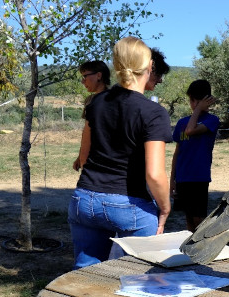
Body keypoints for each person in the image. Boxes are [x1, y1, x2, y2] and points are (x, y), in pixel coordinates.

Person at [67, 36, 172, 269]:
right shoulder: (154, 112)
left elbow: (84, 158)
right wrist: (164, 208)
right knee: (139, 275)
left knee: (85, 274)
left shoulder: (95, 103)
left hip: (84, 198)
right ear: (149, 67)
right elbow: (154, 175)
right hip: (129, 204)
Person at [170, 80, 220, 232]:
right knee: (189, 217)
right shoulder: (181, 122)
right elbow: (177, 152)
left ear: (207, 101)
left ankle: (202, 249)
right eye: (193, 101)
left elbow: (191, 131)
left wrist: (198, 110)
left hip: (199, 177)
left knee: (199, 219)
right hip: (183, 177)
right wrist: (172, 179)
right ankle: (190, 251)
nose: (194, 104)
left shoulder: (212, 120)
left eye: (198, 101)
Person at [73, 60, 111, 171]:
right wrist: (80, 157)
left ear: (99, 75)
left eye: (85, 76)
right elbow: (87, 132)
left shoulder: (112, 100)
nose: (83, 81)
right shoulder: (90, 100)